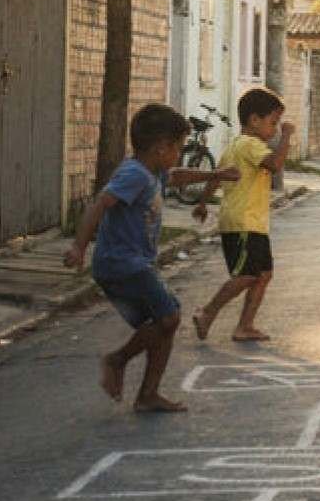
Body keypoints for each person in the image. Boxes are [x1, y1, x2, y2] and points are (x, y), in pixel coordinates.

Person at [65, 103, 237, 413]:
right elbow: (99, 204)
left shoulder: (152, 172)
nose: (179, 154)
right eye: (179, 148)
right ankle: (117, 361)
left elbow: (179, 175)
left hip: (134, 264)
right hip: (121, 263)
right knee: (169, 317)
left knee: (166, 321)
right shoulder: (134, 174)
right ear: (161, 148)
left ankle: (148, 394)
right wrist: (79, 247)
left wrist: (217, 173)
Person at [189, 87, 294, 343]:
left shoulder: (235, 146)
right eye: (273, 123)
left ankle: (245, 326)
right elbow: (275, 165)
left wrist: (203, 204)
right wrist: (287, 137)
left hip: (252, 223)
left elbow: (217, 177)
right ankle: (208, 312)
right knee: (246, 275)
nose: (276, 129)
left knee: (263, 274)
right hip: (243, 222)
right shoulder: (250, 144)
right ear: (254, 121)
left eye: (279, 125)